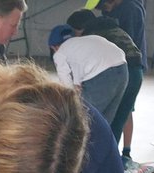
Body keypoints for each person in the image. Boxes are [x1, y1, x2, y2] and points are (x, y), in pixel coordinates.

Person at [66, 8, 142, 148]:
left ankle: (93, 161)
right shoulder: (110, 26)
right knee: (119, 119)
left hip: (116, 73)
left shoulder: (90, 36)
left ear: (80, 28)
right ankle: (118, 158)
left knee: (92, 119)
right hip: (136, 73)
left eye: (73, 32)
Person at [92, 0, 147, 161]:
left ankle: (124, 153)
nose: (105, 11)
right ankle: (122, 153)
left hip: (128, 65)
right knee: (125, 110)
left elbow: (126, 40)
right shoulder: (120, 8)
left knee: (123, 111)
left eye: (105, 6)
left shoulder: (130, 9)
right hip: (125, 65)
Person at [48, 24, 128, 125]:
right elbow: (80, 67)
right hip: (123, 67)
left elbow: (67, 87)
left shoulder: (60, 53)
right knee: (105, 122)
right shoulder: (84, 41)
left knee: (84, 119)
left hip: (102, 74)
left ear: (54, 46)